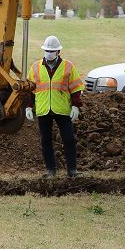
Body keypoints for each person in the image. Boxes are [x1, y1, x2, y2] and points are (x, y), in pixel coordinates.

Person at [25, 35, 84, 178]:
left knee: (69, 139)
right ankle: (51, 170)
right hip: (44, 109)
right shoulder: (35, 67)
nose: (49, 53)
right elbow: (30, 89)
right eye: (47, 50)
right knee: (45, 141)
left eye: (52, 51)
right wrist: (28, 107)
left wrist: (76, 106)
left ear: (58, 52)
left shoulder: (68, 66)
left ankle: (72, 170)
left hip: (62, 109)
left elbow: (76, 88)